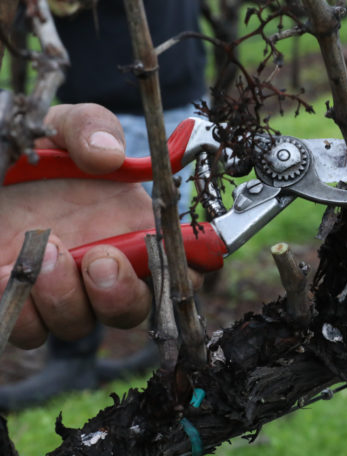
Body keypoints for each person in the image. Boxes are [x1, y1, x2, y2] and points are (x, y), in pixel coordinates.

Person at [0, 0, 207, 410]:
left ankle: (182, 353)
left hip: (174, 101)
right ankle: (75, 360)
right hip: (90, 106)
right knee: (85, 239)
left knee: (172, 244)